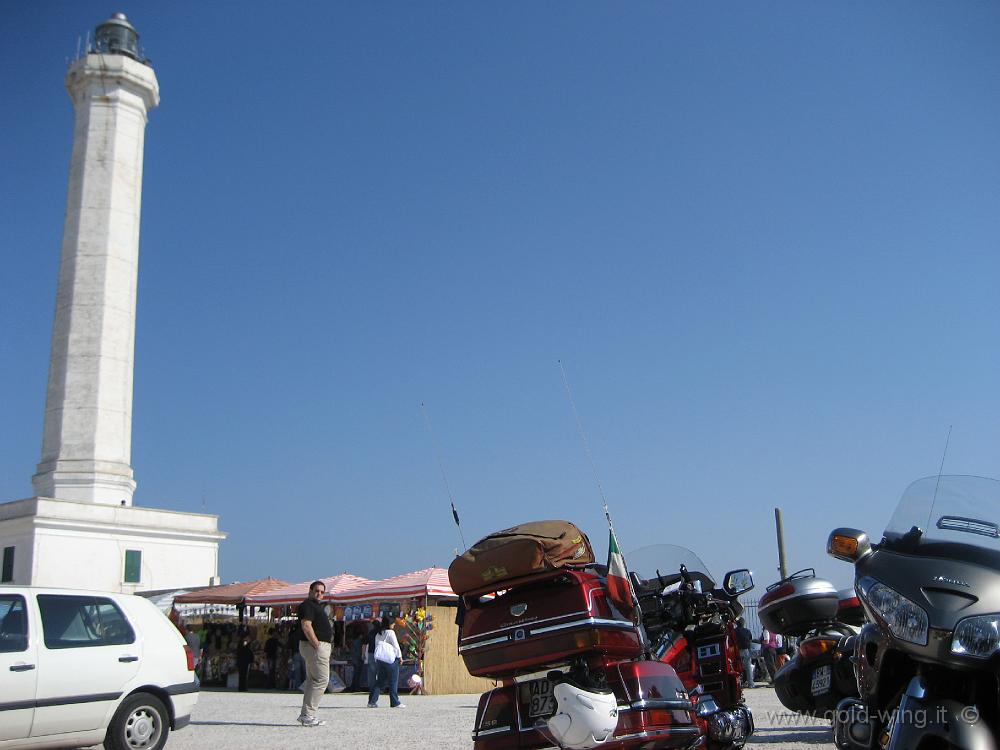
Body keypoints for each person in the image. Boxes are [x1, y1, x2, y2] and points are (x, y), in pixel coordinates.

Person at [296, 580, 332, 727]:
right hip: (314, 646)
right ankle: (308, 714)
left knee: (313, 680)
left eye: (322, 592)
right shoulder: (308, 605)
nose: (319, 594)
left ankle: (306, 714)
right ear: (310, 591)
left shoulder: (316, 606)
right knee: (322, 680)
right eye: (317, 591)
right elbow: (306, 625)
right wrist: (317, 644)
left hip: (314, 646)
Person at [367, 615, 404, 709]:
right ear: (390, 624)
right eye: (393, 623)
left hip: (380, 659)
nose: (394, 624)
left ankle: (372, 701)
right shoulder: (390, 633)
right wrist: (400, 657)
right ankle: (395, 702)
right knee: (393, 681)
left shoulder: (378, 633)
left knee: (379, 681)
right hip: (390, 660)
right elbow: (396, 646)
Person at [734, 617, 755, 688]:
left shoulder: (734, 631)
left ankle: (739, 683)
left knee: (737, 668)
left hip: (737, 651)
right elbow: (750, 640)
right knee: (748, 668)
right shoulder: (747, 631)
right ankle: (751, 684)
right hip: (746, 650)